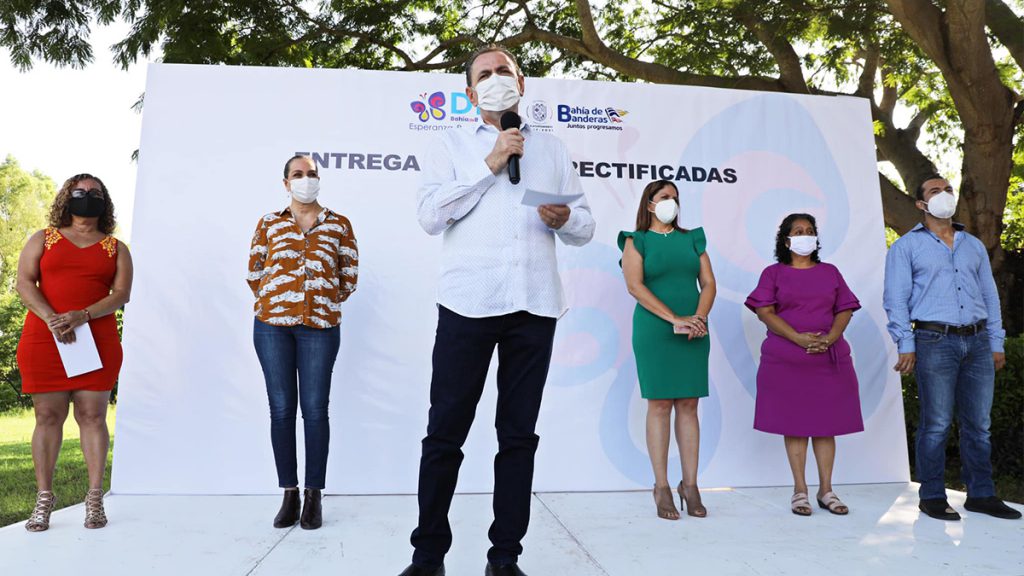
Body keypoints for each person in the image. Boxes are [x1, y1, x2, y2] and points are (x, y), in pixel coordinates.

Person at [399, 44, 595, 576]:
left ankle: (504, 557)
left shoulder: (551, 149)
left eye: (503, 70)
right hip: (467, 304)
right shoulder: (449, 145)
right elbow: (430, 217)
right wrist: (490, 165)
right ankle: (428, 557)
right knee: (445, 434)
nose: (495, 78)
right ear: (470, 93)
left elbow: (585, 225)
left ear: (522, 83)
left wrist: (565, 221)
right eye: (484, 74)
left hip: (534, 306)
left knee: (518, 438)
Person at [883, 174, 1020, 521]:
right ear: (921, 204)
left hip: (978, 341)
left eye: (947, 189)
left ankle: (982, 494)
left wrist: (996, 340)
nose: (943, 195)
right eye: (935, 191)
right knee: (937, 423)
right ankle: (931, 496)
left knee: (979, 424)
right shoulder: (905, 248)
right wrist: (905, 343)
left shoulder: (973, 245)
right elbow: (895, 299)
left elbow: (989, 295)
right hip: (934, 340)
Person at [247, 155, 359, 530]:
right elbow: (255, 273)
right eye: (298, 174)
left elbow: (348, 277)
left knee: (315, 410)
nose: (305, 179)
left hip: (320, 327)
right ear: (286, 183)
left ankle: (314, 495)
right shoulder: (269, 223)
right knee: (281, 409)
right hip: (272, 327)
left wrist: (318, 300)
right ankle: (289, 492)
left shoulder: (339, 224)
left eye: (311, 173)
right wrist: (281, 301)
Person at [15, 173, 133, 532]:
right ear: (66, 198)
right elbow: (24, 282)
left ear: (104, 202)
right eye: (79, 191)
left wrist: (82, 316)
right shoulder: (43, 238)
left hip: (95, 339)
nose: (87, 196)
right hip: (44, 337)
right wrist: (52, 319)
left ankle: (95, 498)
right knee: (47, 416)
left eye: (95, 192)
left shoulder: (116, 248)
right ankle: (43, 499)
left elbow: (121, 294)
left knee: (93, 415)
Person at [745, 213, 863, 516]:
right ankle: (800, 490)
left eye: (809, 230)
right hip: (786, 362)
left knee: (826, 426)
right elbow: (765, 311)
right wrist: (797, 338)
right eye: (798, 231)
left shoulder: (831, 272)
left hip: (829, 359)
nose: (805, 235)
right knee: (794, 426)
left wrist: (831, 337)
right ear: (786, 240)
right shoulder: (773, 273)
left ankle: (827, 490)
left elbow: (845, 308)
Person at [617, 179, 716, 520]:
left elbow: (708, 283)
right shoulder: (636, 240)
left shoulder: (693, 239)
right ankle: (661, 487)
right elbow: (634, 286)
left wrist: (698, 318)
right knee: (659, 404)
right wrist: (674, 318)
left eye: (675, 197)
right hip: (655, 331)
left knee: (689, 404)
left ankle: (690, 486)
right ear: (649, 204)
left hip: (694, 330)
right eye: (664, 197)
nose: (671, 202)